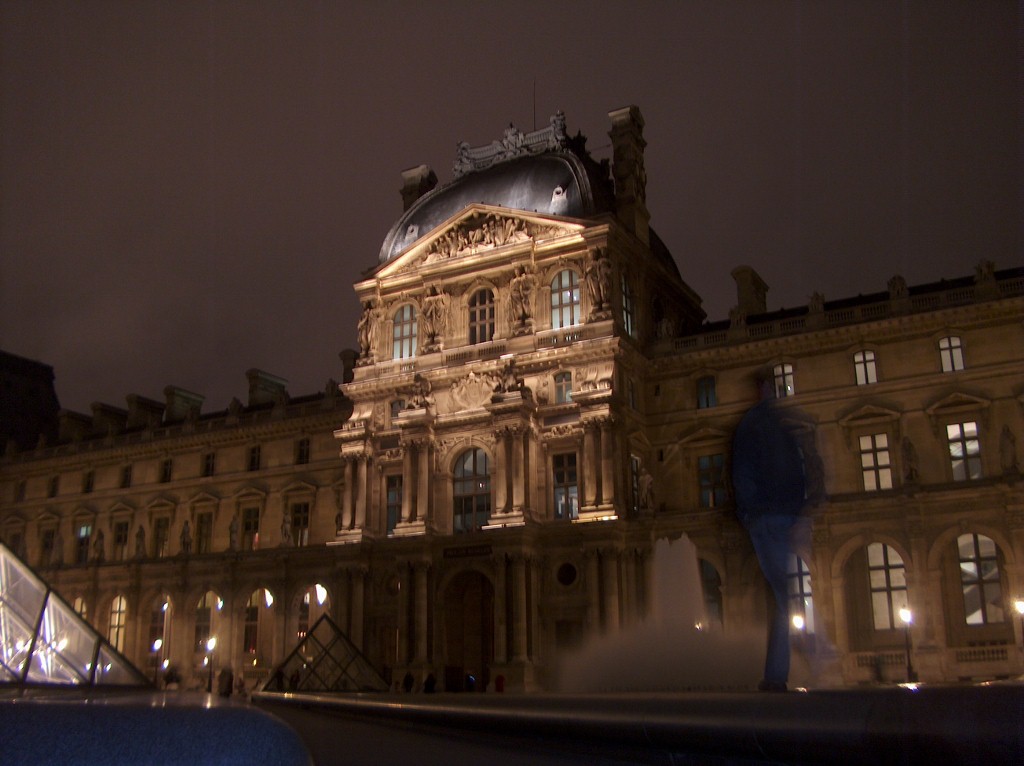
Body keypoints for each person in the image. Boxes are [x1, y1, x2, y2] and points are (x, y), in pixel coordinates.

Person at [731, 368, 807, 692]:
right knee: (787, 594)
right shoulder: (773, 424)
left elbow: (745, 471)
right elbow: (797, 469)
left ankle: (781, 673)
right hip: (776, 517)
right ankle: (785, 671)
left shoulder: (760, 423)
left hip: (774, 517)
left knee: (786, 594)